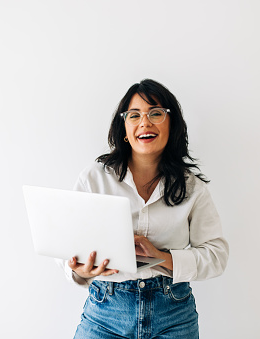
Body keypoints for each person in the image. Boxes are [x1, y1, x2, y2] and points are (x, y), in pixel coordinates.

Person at [58, 79, 229, 338]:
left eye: (156, 113)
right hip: (105, 312)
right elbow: (66, 248)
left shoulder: (192, 187)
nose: (145, 122)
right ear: (124, 130)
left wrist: (163, 257)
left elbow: (216, 256)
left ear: (171, 125)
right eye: (134, 115)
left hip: (174, 313)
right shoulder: (94, 179)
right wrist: (78, 269)